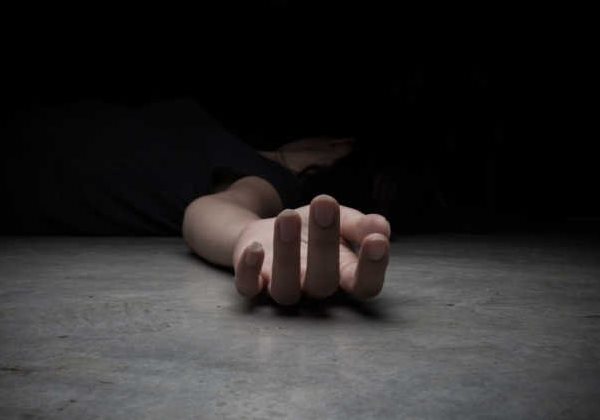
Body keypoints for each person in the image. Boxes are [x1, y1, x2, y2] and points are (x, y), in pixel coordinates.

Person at [1, 98, 391, 305]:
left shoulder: (270, 177)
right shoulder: (226, 140)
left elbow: (214, 209)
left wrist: (248, 233)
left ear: (337, 147)